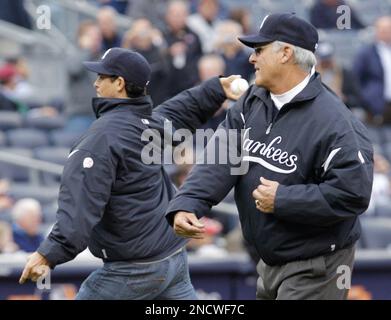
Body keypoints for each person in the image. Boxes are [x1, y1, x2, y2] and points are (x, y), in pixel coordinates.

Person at [166, 13, 374, 300]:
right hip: (268, 260)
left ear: (286, 53)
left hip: (316, 265)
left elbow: (353, 194)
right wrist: (189, 202)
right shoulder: (253, 100)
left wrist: (284, 200)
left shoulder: (336, 122)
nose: (252, 58)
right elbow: (222, 157)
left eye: (260, 50)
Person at [18, 47, 241, 300]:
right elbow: (179, 111)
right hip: (172, 258)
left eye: (102, 77)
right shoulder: (145, 124)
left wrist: (47, 254)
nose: (96, 82)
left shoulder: (101, 138)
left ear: (120, 84)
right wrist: (216, 90)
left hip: (134, 270)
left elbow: (80, 208)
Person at [353, 16, 391, 125]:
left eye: (389, 29)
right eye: (383, 29)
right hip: (376, 105)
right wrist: (366, 98)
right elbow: (356, 78)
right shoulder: (366, 53)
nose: (386, 32)